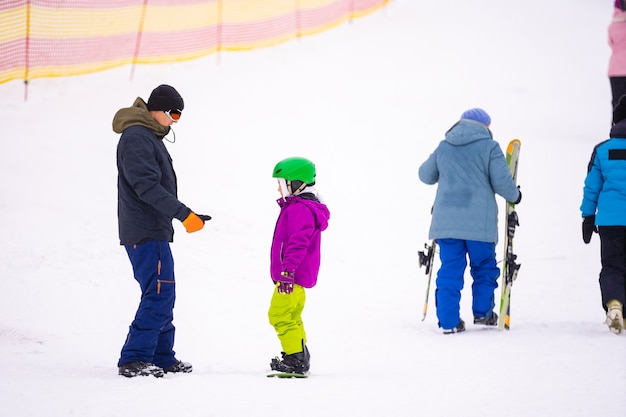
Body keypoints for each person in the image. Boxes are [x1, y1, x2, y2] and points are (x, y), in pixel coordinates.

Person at [112, 84, 211, 377]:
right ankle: (134, 358)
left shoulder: (147, 137)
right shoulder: (137, 138)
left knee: (163, 293)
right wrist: (183, 214)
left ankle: (162, 355)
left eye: (180, 114)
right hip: (145, 231)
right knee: (158, 293)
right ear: (156, 109)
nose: (176, 120)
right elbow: (146, 187)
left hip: (153, 229)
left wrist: (186, 213)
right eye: (173, 112)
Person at [418, 109, 521, 334]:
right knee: (484, 267)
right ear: (484, 125)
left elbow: (425, 175)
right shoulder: (490, 148)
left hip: (446, 223)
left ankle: (448, 321)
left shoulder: (444, 146)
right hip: (479, 224)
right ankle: (483, 313)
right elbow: (503, 182)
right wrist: (515, 196)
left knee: (450, 270)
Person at [268, 157, 330, 374]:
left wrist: (287, 270)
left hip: (290, 276)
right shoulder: (300, 207)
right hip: (294, 276)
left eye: (282, 183)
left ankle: (295, 360)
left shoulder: (299, 209)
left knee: (279, 315)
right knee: (292, 316)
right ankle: (298, 357)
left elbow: (298, 243)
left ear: (296, 183)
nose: (278, 187)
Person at [580, 94, 626, 335]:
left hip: (610, 222)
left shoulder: (603, 150)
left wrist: (588, 217)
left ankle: (615, 304)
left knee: (612, 265)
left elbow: (592, 187)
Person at [609, 1, 626, 109]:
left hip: (614, 69)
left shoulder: (613, 25)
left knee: (617, 105)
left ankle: (616, 126)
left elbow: (611, 43)